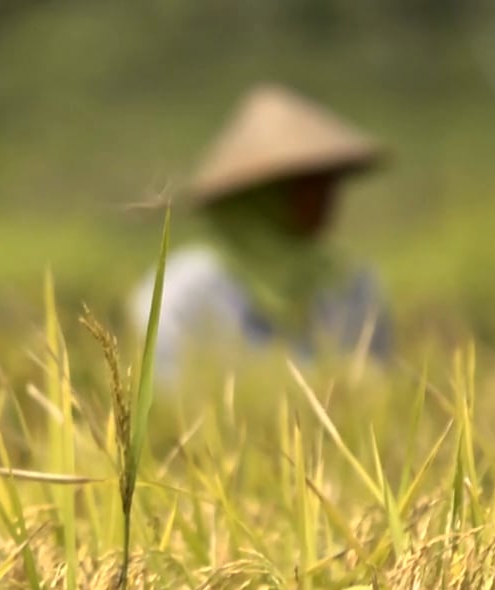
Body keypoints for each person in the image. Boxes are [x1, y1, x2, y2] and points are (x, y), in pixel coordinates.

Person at [127, 82, 394, 384]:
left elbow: (379, 385)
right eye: (308, 183)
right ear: (263, 195)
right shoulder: (183, 293)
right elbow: (166, 390)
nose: (327, 195)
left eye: (329, 180)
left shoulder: (355, 287)